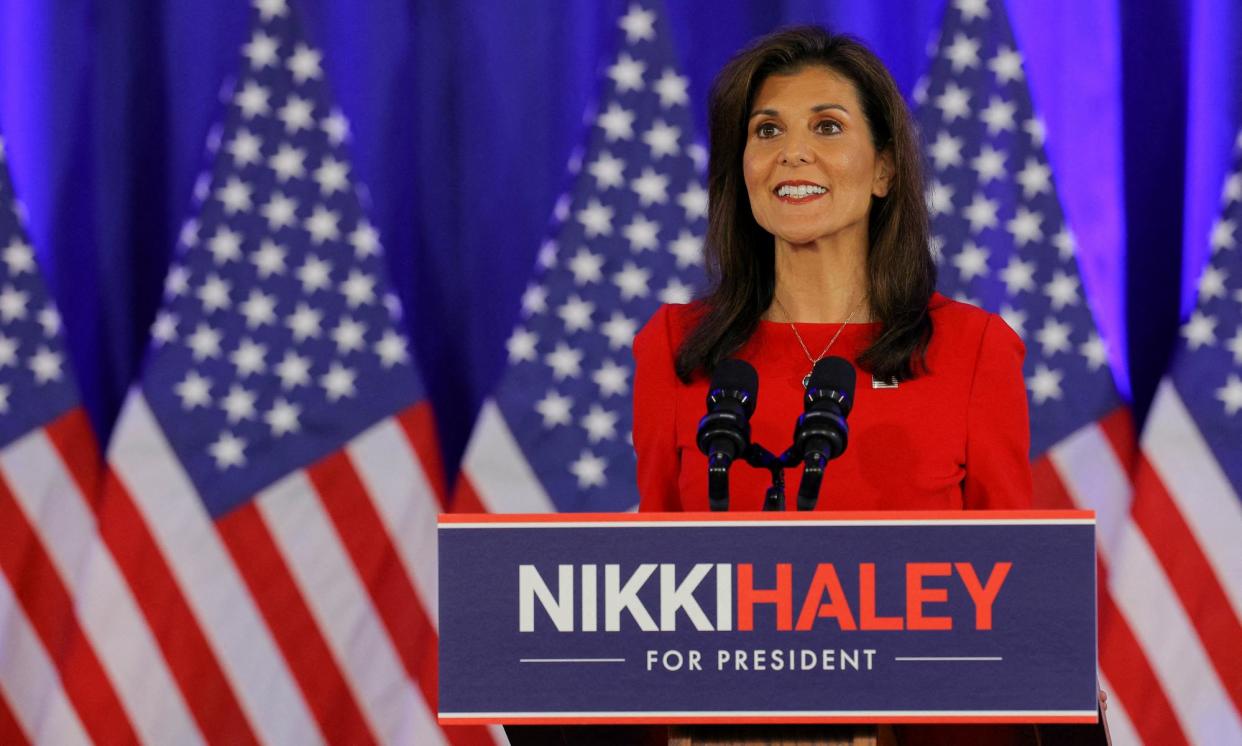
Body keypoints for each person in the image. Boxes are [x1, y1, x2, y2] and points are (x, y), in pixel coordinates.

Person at [633, 26, 1032, 515]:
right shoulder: (674, 346)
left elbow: (1016, 570)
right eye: (767, 130)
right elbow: (652, 566)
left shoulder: (974, 350)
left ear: (884, 170)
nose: (793, 152)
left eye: (827, 126)